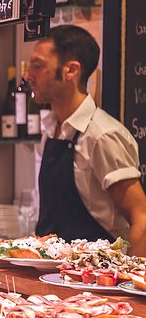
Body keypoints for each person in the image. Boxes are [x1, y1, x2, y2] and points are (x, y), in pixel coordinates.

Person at [26, 24, 146, 254]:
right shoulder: (52, 130)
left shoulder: (102, 135)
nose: (28, 75)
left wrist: (129, 284)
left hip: (93, 279)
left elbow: (141, 218)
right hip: (52, 276)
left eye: (38, 66)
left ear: (71, 70)